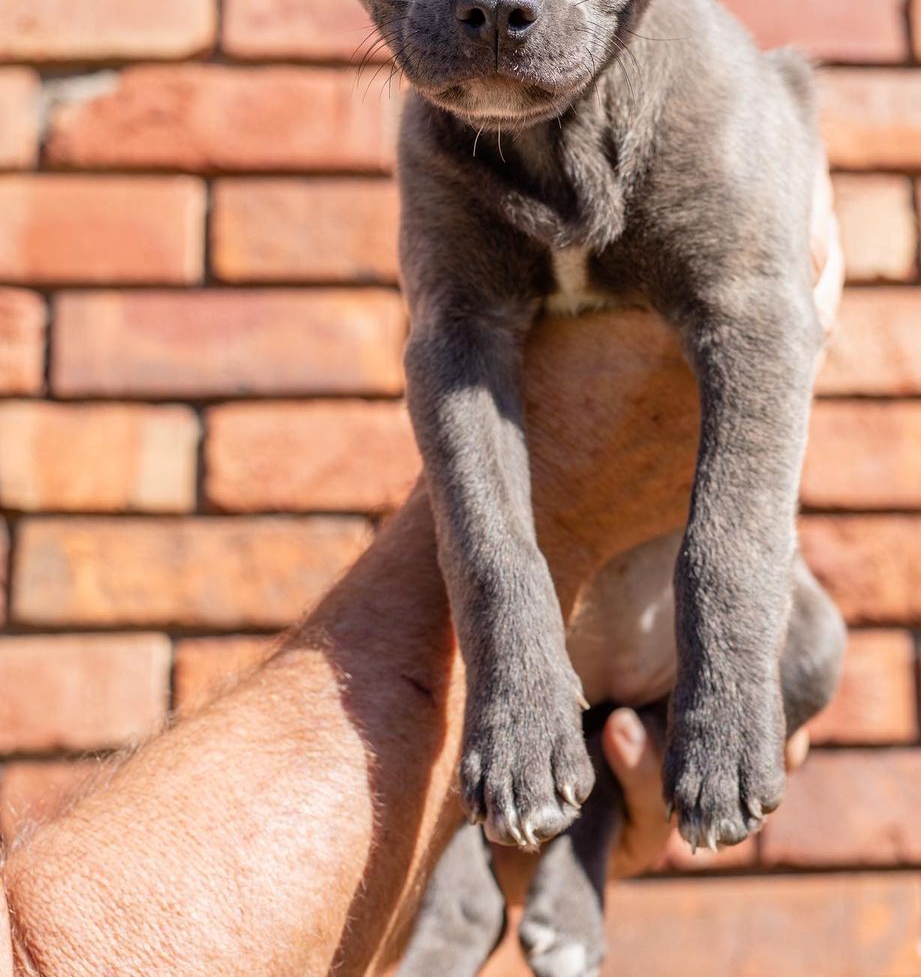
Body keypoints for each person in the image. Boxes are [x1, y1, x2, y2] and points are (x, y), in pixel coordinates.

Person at [1, 173, 840, 977]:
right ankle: (482, 883)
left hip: (643, 639)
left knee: (797, 657)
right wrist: (558, 491)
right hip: (560, 635)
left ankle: (548, 856)